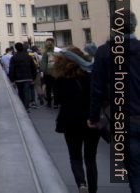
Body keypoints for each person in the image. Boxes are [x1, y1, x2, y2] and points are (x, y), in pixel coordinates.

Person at [88, 11, 139, 192]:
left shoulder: (104, 52)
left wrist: (93, 117)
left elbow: (97, 88)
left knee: (135, 170)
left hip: (123, 120)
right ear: (135, 25)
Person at [55, 47, 99, 193]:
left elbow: (58, 100)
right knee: (91, 159)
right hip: (90, 120)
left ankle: (81, 184)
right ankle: (93, 189)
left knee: (75, 156)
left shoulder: (60, 79)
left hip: (70, 122)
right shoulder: (90, 77)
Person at [8, 42, 37, 112]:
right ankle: (26, 107)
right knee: (26, 92)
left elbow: (11, 69)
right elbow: (34, 67)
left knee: (20, 92)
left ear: (15, 48)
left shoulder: (13, 57)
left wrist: (12, 79)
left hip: (18, 79)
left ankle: (22, 106)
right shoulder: (28, 57)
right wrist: (33, 77)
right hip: (28, 77)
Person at [41, 39, 58, 108]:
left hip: (47, 73)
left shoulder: (45, 53)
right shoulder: (56, 52)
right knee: (55, 88)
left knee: (48, 88)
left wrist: (43, 70)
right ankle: (56, 103)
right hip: (55, 73)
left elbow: (43, 63)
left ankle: (49, 103)